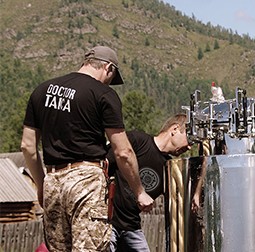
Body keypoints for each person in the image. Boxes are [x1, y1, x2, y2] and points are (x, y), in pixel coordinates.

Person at [20, 45, 153, 251]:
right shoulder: (103, 94)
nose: (110, 82)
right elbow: (123, 152)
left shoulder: (41, 90)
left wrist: (41, 186)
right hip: (87, 181)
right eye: (112, 76)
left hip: (53, 182)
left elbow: (28, 147)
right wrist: (139, 192)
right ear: (108, 68)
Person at [108, 114, 192, 252]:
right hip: (108, 222)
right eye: (189, 139)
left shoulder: (170, 167)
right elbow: (101, 167)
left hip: (131, 226)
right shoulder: (137, 141)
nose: (189, 147)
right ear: (175, 129)